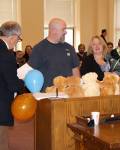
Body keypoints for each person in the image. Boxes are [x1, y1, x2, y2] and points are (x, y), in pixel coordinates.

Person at [18, 18, 80, 91]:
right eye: (63, 29)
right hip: (48, 96)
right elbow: (27, 71)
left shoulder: (69, 48)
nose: (65, 32)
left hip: (68, 94)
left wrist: (78, 88)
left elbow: (75, 70)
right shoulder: (39, 49)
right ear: (53, 30)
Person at [0, 21, 24, 150]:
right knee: (2, 143)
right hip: (1, 106)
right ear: (13, 36)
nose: (17, 41)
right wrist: (23, 82)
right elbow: (13, 84)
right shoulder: (7, 55)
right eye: (19, 38)